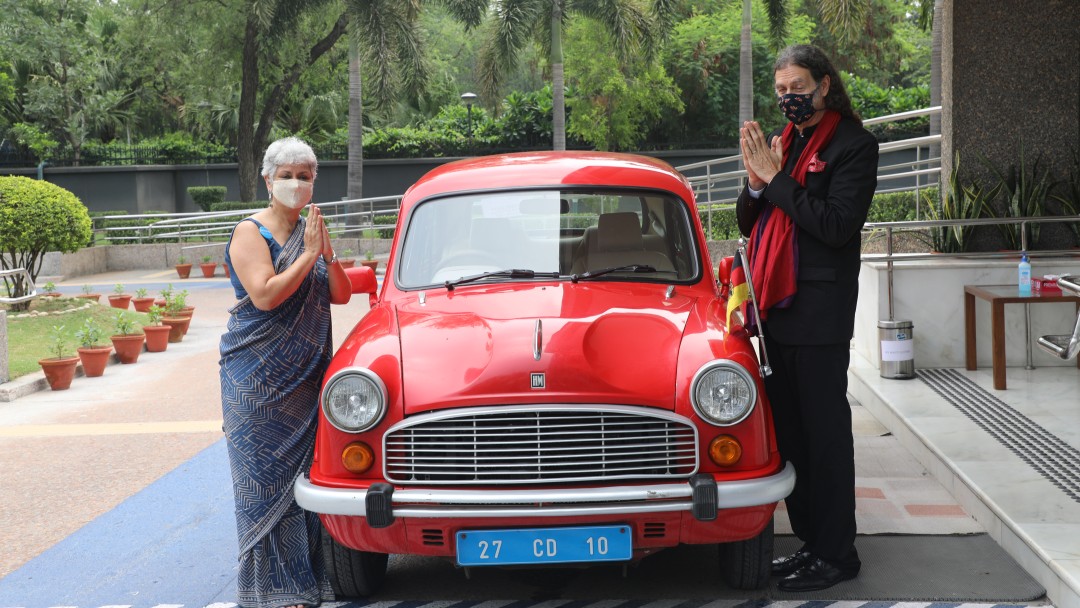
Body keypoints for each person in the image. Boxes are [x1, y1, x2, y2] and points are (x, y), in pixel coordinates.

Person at [735, 44, 878, 592]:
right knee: (790, 438)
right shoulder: (786, 144)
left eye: (797, 88)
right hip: (775, 313)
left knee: (825, 439)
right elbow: (751, 221)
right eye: (780, 92)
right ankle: (810, 545)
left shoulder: (854, 146)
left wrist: (776, 182)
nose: (788, 99)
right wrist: (755, 182)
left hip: (818, 315)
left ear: (824, 85)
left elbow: (837, 224)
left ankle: (838, 554)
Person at [219, 136, 352, 607]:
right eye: (287, 175)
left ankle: (308, 581)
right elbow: (265, 295)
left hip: (307, 376)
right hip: (257, 380)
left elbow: (341, 294)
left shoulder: (313, 229)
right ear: (267, 179)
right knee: (264, 486)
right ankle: (274, 592)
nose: (296, 183)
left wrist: (327, 253)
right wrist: (309, 255)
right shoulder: (250, 232)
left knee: (305, 482)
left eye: (305, 175)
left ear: (315, 181)